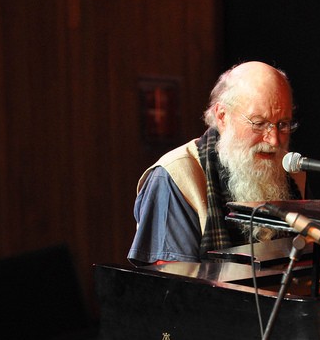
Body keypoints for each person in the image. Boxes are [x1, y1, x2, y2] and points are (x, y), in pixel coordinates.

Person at [128, 61, 306, 265]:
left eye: (282, 124)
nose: (274, 140)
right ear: (223, 117)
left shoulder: (293, 175)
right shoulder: (174, 177)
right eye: (259, 124)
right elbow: (172, 289)